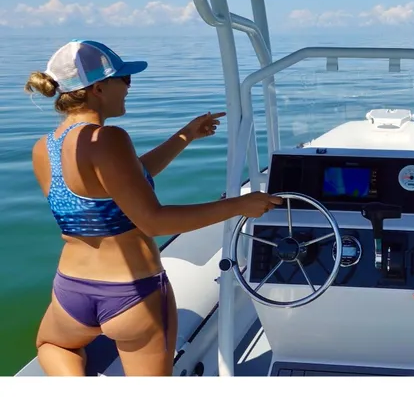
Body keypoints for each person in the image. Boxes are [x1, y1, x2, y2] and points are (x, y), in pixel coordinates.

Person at [23, 39, 283, 376]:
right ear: (98, 88)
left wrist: (185, 136)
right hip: (129, 292)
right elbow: (154, 222)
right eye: (124, 79)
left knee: (54, 345)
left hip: (71, 289)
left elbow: (125, 180)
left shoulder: (44, 148)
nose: (129, 87)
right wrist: (240, 205)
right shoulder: (109, 138)